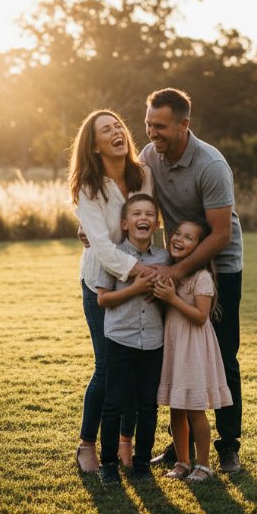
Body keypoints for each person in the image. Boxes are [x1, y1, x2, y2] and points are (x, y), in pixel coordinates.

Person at [139, 88, 246, 473]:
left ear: (185, 125)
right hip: (176, 263)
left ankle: (228, 444)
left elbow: (220, 235)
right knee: (176, 354)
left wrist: (176, 272)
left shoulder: (210, 165)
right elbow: (133, 205)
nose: (152, 133)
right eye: (149, 124)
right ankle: (180, 447)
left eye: (161, 126)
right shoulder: (150, 156)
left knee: (222, 354)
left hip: (220, 268)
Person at [68, 109, 157, 473]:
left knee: (136, 368)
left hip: (141, 280)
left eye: (118, 125)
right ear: (94, 145)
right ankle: (86, 444)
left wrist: (155, 268)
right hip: (101, 281)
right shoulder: (86, 188)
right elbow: (102, 247)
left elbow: (148, 221)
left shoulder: (143, 174)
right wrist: (140, 272)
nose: (117, 131)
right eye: (106, 130)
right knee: (107, 368)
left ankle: (125, 443)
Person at [94, 194, 168, 484]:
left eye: (150, 214)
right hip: (120, 340)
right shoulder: (112, 255)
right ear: (125, 223)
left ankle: (141, 465)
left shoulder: (163, 258)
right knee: (114, 404)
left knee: (148, 406)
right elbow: (103, 299)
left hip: (152, 342)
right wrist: (135, 288)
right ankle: (109, 464)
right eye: (136, 213)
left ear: (157, 223)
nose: (143, 218)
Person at [154, 220, 233, 482]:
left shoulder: (202, 277)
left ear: (200, 248)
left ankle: (204, 465)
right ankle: (182, 462)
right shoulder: (171, 275)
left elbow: (201, 316)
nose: (179, 239)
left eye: (189, 237)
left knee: (195, 410)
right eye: (177, 233)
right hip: (175, 348)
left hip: (193, 350)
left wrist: (172, 298)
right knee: (176, 409)